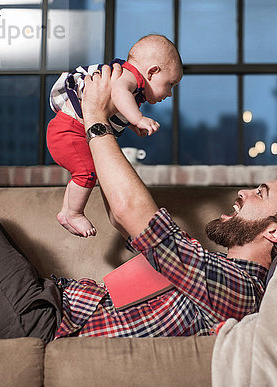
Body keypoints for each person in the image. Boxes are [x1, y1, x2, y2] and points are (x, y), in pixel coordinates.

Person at [0, 64, 277, 342]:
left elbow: (131, 212)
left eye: (260, 194)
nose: (242, 192)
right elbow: (123, 217)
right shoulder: (208, 269)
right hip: (43, 301)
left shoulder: (240, 287)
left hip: (34, 321)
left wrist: (95, 116)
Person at [47, 34, 183, 238]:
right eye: (170, 84)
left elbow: (114, 106)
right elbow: (119, 93)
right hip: (69, 130)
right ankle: (72, 212)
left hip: (70, 130)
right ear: (152, 72)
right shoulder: (129, 77)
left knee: (84, 171)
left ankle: (67, 212)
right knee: (87, 172)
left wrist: (131, 125)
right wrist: (138, 119)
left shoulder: (131, 85)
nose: (170, 94)